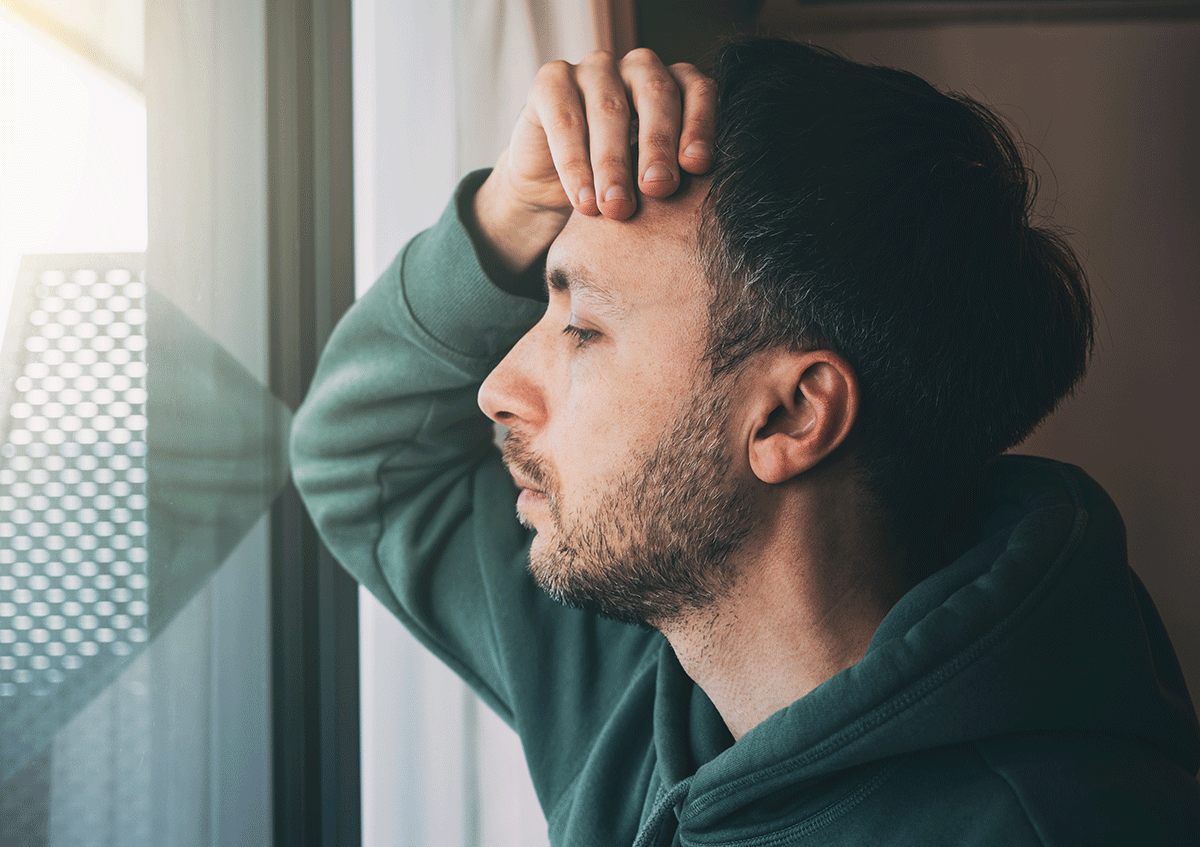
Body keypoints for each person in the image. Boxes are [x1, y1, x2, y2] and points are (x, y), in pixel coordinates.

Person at [291, 38, 1200, 845]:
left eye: (582, 329)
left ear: (791, 416)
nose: (495, 388)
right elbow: (367, 457)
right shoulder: (645, 671)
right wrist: (507, 215)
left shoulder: (1049, 824)